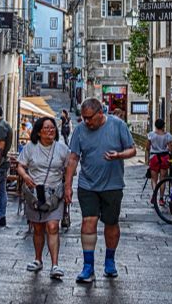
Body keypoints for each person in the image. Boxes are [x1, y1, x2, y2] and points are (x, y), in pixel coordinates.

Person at [65, 96, 136, 283]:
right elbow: (73, 158)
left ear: (100, 113)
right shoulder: (79, 130)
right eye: (84, 118)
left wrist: (119, 155)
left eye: (89, 118)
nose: (86, 122)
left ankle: (110, 261)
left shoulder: (118, 125)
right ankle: (88, 266)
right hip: (87, 184)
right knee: (88, 221)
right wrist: (67, 185)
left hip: (113, 185)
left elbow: (132, 150)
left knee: (111, 223)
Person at [16, 116, 69, 280]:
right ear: (38, 132)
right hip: (34, 193)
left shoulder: (62, 148)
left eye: (52, 128)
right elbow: (20, 165)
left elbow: (69, 169)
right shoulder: (30, 147)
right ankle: (38, 259)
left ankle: (55, 265)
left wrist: (67, 187)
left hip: (54, 194)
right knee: (38, 228)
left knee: (52, 227)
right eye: (46, 128)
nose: (50, 130)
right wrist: (25, 176)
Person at [147, 118, 172, 193]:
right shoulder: (168, 135)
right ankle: (161, 197)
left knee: (154, 179)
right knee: (162, 179)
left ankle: (154, 195)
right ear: (163, 126)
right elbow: (170, 149)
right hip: (164, 158)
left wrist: (148, 158)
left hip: (154, 157)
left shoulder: (151, 135)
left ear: (155, 126)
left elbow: (147, 147)